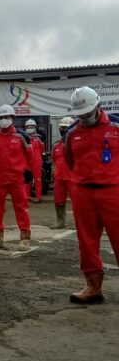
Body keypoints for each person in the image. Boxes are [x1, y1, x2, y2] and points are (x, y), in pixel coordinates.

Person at [64, 86, 119, 304]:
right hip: (83, 192)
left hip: (113, 191)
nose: (85, 118)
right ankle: (93, 286)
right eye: (81, 115)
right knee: (86, 242)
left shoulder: (116, 126)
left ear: (98, 106)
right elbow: (70, 162)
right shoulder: (72, 132)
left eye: (88, 113)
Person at [0, 104, 33, 251]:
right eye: (0, 118)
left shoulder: (22, 136)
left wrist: (27, 171)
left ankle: (25, 238)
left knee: (21, 208)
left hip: (17, 180)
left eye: (6, 117)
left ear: (13, 118)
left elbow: (30, 156)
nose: (3, 120)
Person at [50, 117, 75, 229]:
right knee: (59, 200)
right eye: (62, 127)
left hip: (73, 178)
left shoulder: (76, 143)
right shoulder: (56, 145)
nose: (63, 130)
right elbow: (54, 161)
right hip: (59, 178)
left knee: (78, 202)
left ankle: (81, 223)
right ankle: (60, 222)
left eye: (65, 128)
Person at [24, 119, 45, 203]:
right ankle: (26, 196)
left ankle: (38, 197)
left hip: (36, 162)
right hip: (27, 162)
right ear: (26, 128)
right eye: (28, 127)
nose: (30, 128)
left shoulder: (39, 138)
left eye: (31, 127)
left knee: (38, 179)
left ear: (35, 127)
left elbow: (42, 149)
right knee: (27, 179)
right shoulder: (23, 138)